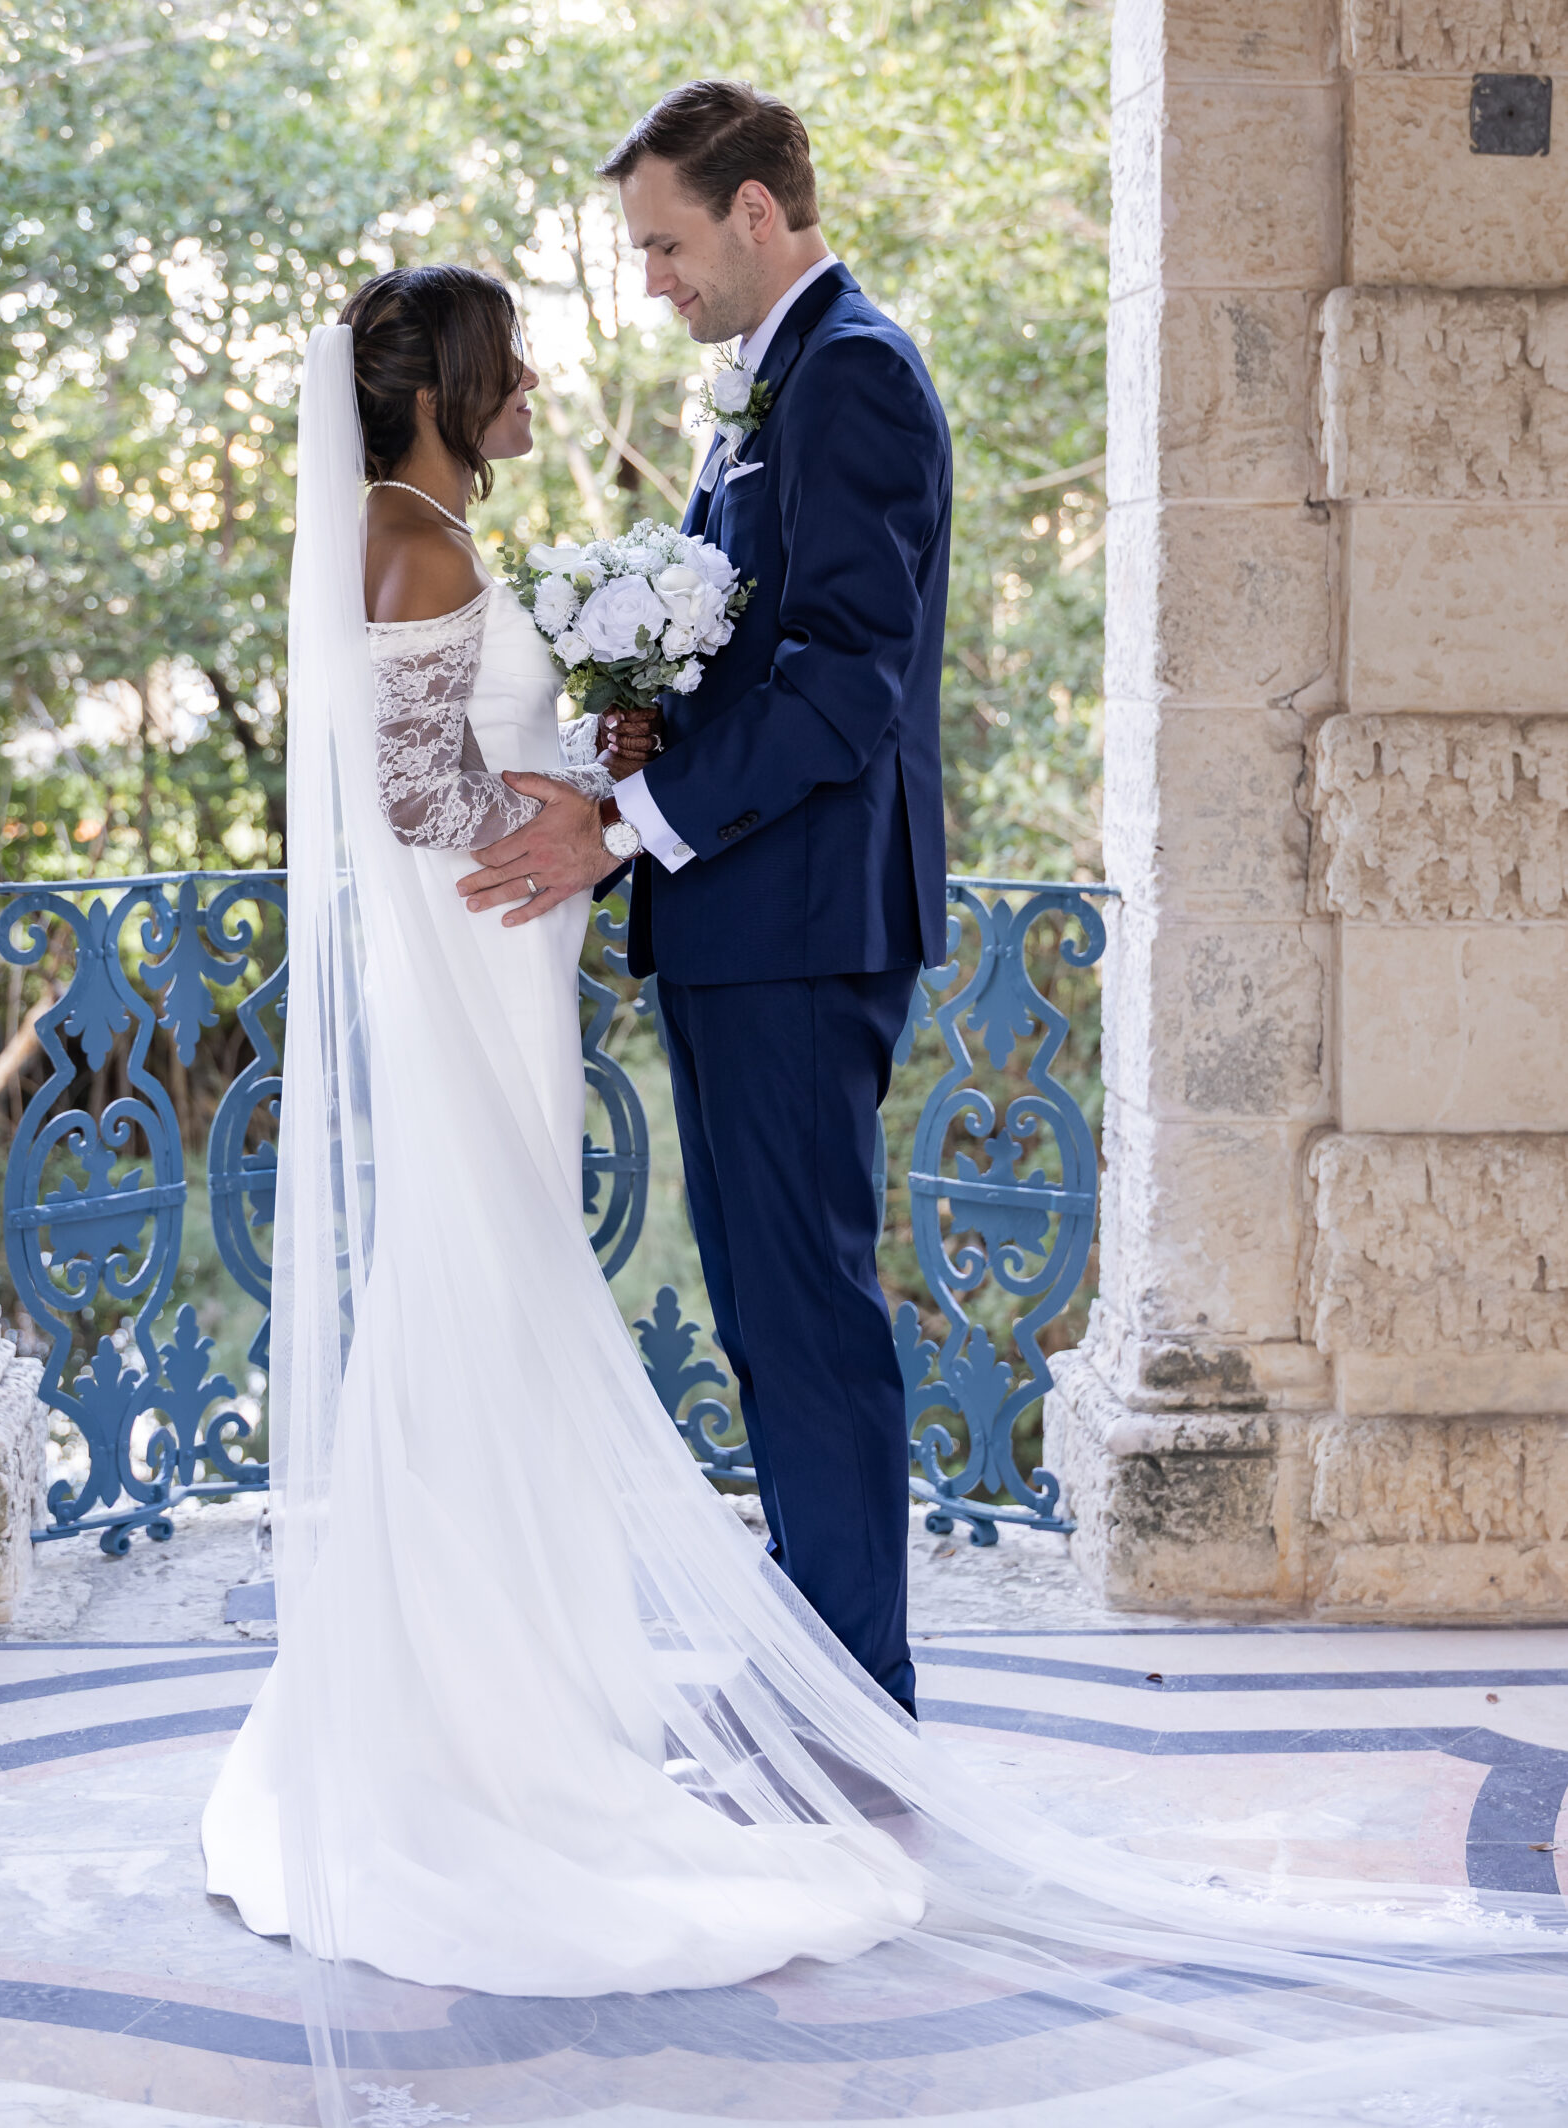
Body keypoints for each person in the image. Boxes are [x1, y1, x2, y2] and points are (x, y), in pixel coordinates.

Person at [201, 205, 1562, 2128]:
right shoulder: (409, 537)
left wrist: (605, 764)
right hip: (485, 954)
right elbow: (413, 790)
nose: (536, 380)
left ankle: (524, 1690)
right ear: (444, 388)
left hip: (527, 958)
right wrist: (591, 809)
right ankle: (471, 1717)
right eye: (509, 359)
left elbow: (484, 747)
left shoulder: (457, 523)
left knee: (514, 1305)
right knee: (485, 1299)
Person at [459, 81, 949, 1716]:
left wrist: (620, 829)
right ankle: (818, 1666)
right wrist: (644, 730)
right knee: (761, 1310)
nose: (654, 279)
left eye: (666, 246)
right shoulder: (777, 381)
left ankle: (856, 1695)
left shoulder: (853, 372)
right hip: (748, 914)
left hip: (804, 922)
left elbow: (846, 685)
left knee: (805, 1314)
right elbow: (763, 654)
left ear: (754, 210)